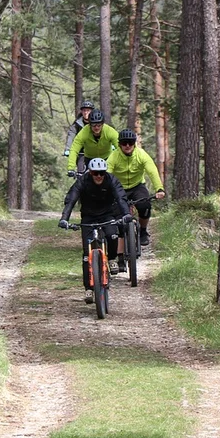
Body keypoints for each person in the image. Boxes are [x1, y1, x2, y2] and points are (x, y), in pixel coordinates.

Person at [59, 158, 131, 303]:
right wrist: (64, 218)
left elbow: (121, 198)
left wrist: (126, 214)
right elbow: (71, 199)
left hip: (107, 215)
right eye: (95, 173)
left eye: (101, 173)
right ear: (90, 173)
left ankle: (111, 259)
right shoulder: (83, 181)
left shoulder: (111, 180)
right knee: (87, 255)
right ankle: (88, 289)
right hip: (88, 218)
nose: (98, 176)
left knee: (112, 235)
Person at [107, 129, 165, 268]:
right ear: (119, 144)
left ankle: (143, 231)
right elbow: (107, 174)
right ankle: (120, 257)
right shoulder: (114, 157)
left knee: (145, 205)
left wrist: (159, 188)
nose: (127, 145)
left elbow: (152, 170)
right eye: (124, 143)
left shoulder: (141, 155)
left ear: (135, 144)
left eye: (131, 143)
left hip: (137, 186)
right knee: (120, 220)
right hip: (119, 188)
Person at [66, 109, 119, 174]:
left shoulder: (109, 131)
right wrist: (71, 168)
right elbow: (74, 149)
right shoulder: (84, 132)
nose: (96, 127)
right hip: (89, 159)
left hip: (107, 158)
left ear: (103, 124)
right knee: (84, 180)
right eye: (94, 125)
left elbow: (120, 148)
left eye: (99, 125)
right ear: (89, 124)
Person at [62, 99, 95, 173]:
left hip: (95, 150)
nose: (86, 112)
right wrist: (68, 149)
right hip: (81, 152)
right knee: (80, 173)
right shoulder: (77, 124)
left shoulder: (97, 122)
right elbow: (71, 135)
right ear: (82, 112)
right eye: (84, 110)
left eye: (88, 110)